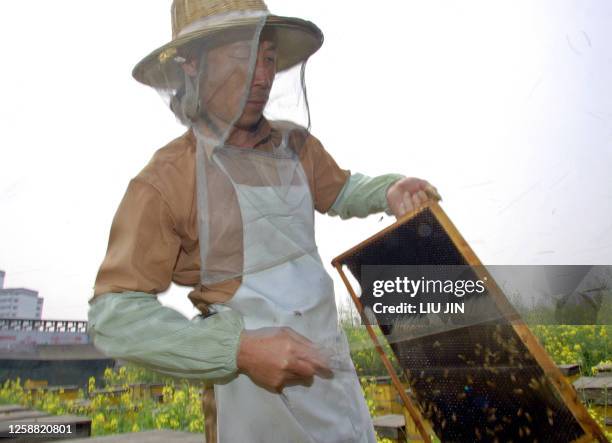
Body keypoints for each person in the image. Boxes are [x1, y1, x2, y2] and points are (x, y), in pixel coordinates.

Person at [88, 1, 441, 442]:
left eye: (269, 58)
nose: (261, 76)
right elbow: (113, 315)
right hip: (252, 398)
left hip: (330, 372)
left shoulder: (294, 143)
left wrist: (387, 191)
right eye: (242, 57)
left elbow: (340, 190)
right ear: (191, 65)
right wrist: (236, 349)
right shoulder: (166, 181)